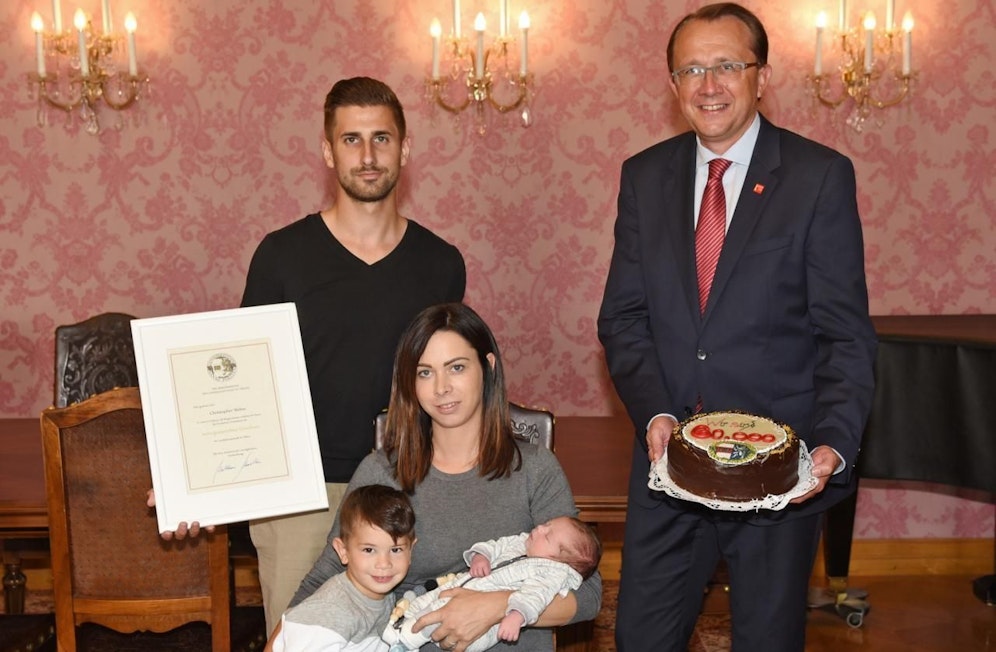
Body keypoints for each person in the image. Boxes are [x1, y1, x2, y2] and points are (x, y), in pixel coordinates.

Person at [596, 4, 877, 651]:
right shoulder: (644, 177)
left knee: (767, 641)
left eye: (726, 65)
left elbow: (845, 334)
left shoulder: (817, 178)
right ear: (673, 86)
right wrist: (656, 414)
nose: (708, 84)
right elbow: (624, 317)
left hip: (779, 479)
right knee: (640, 637)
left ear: (762, 76)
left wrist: (834, 437)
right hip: (671, 464)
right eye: (691, 69)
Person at [232, 76, 466, 634]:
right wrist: (192, 476)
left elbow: (450, 385)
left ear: (405, 150)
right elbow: (242, 384)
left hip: (406, 485)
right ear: (327, 149)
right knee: (300, 641)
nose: (367, 155)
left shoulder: (441, 263)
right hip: (297, 496)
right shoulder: (281, 256)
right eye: (351, 139)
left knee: (404, 640)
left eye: (381, 138)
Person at [268, 302, 602, 652]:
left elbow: (589, 592)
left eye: (456, 367)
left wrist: (495, 605)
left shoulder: (535, 468)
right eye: (425, 372)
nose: (441, 387)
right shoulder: (381, 472)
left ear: (487, 368)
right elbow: (325, 578)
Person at [383, 516, 601, 651]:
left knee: (437, 613)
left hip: (481, 628)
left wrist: (516, 615)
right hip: (463, 585)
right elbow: (496, 545)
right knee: (429, 599)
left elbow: (535, 597)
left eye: (547, 536)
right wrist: (481, 556)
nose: (539, 529)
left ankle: (405, 643)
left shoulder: (549, 575)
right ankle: (399, 626)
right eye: (545, 525)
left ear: (560, 561)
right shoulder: (523, 543)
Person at [272, 484, 416, 652]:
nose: (384, 564)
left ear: (411, 550)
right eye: (369, 550)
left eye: (395, 550)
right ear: (343, 551)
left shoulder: (384, 597)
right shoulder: (329, 613)